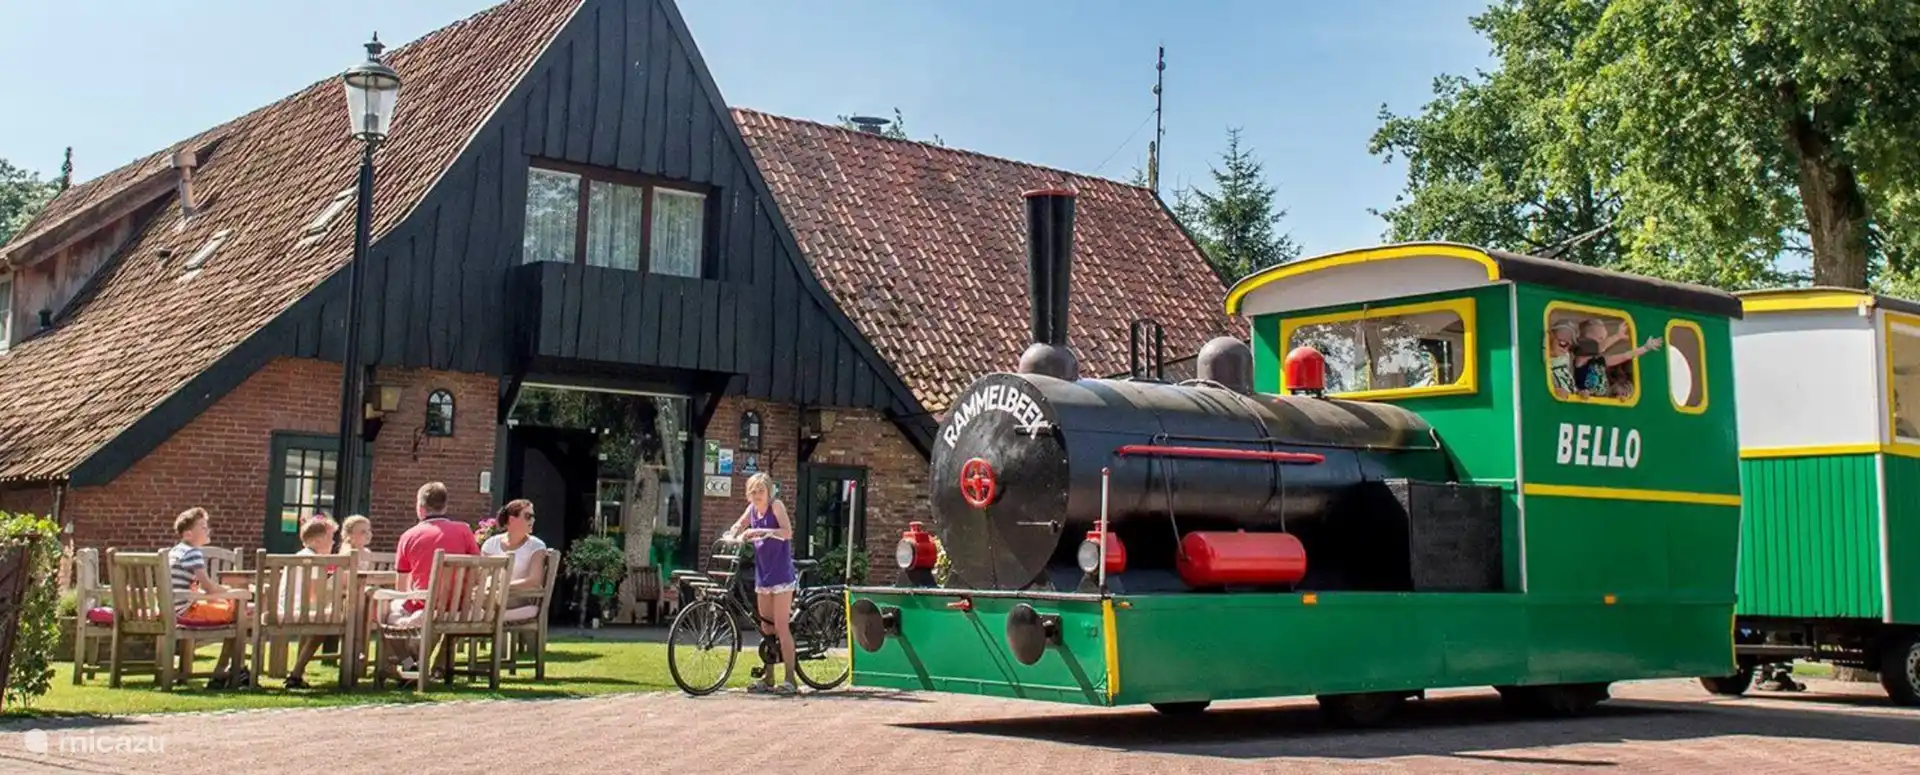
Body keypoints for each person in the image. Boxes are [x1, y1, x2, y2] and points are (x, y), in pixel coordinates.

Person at [385, 482, 481, 673]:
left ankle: (408, 664)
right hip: (460, 606)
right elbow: (476, 572)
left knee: (384, 616)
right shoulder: (464, 531)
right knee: (445, 615)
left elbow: (402, 588)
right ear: (445, 506)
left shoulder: (408, 536)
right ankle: (436, 666)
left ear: (420, 508)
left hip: (424, 604)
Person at [723, 473, 799, 695]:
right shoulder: (752, 510)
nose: (757, 496)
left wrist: (762, 532)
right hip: (763, 574)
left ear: (768, 492)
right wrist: (732, 533)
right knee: (766, 627)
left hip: (781, 575)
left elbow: (787, 532)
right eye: (753, 492)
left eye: (760, 491)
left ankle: (790, 679)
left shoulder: (776, 506)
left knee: (781, 626)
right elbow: (740, 523)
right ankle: (769, 677)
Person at [168, 508, 249, 689]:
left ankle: (226, 670)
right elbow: (209, 588)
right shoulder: (193, 553)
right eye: (203, 527)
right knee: (241, 614)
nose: (208, 530)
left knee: (234, 609)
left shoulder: (174, 552)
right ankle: (224, 672)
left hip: (174, 608)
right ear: (188, 534)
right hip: (187, 611)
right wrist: (232, 591)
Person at [284, 515, 339, 690]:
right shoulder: (314, 560)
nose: (333, 543)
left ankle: (297, 672)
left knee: (323, 618)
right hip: (301, 609)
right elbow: (315, 594)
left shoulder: (299, 556)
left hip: (285, 608)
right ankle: (297, 672)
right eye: (330, 539)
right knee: (329, 621)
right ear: (317, 541)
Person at [481, 499, 547, 621]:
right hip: (491, 595)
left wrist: (502, 586)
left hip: (518, 597)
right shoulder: (491, 544)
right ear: (512, 519)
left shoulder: (536, 546)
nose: (532, 520)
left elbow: (534, 581)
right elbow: (482, 576)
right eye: (528, 516)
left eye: (533, 516)